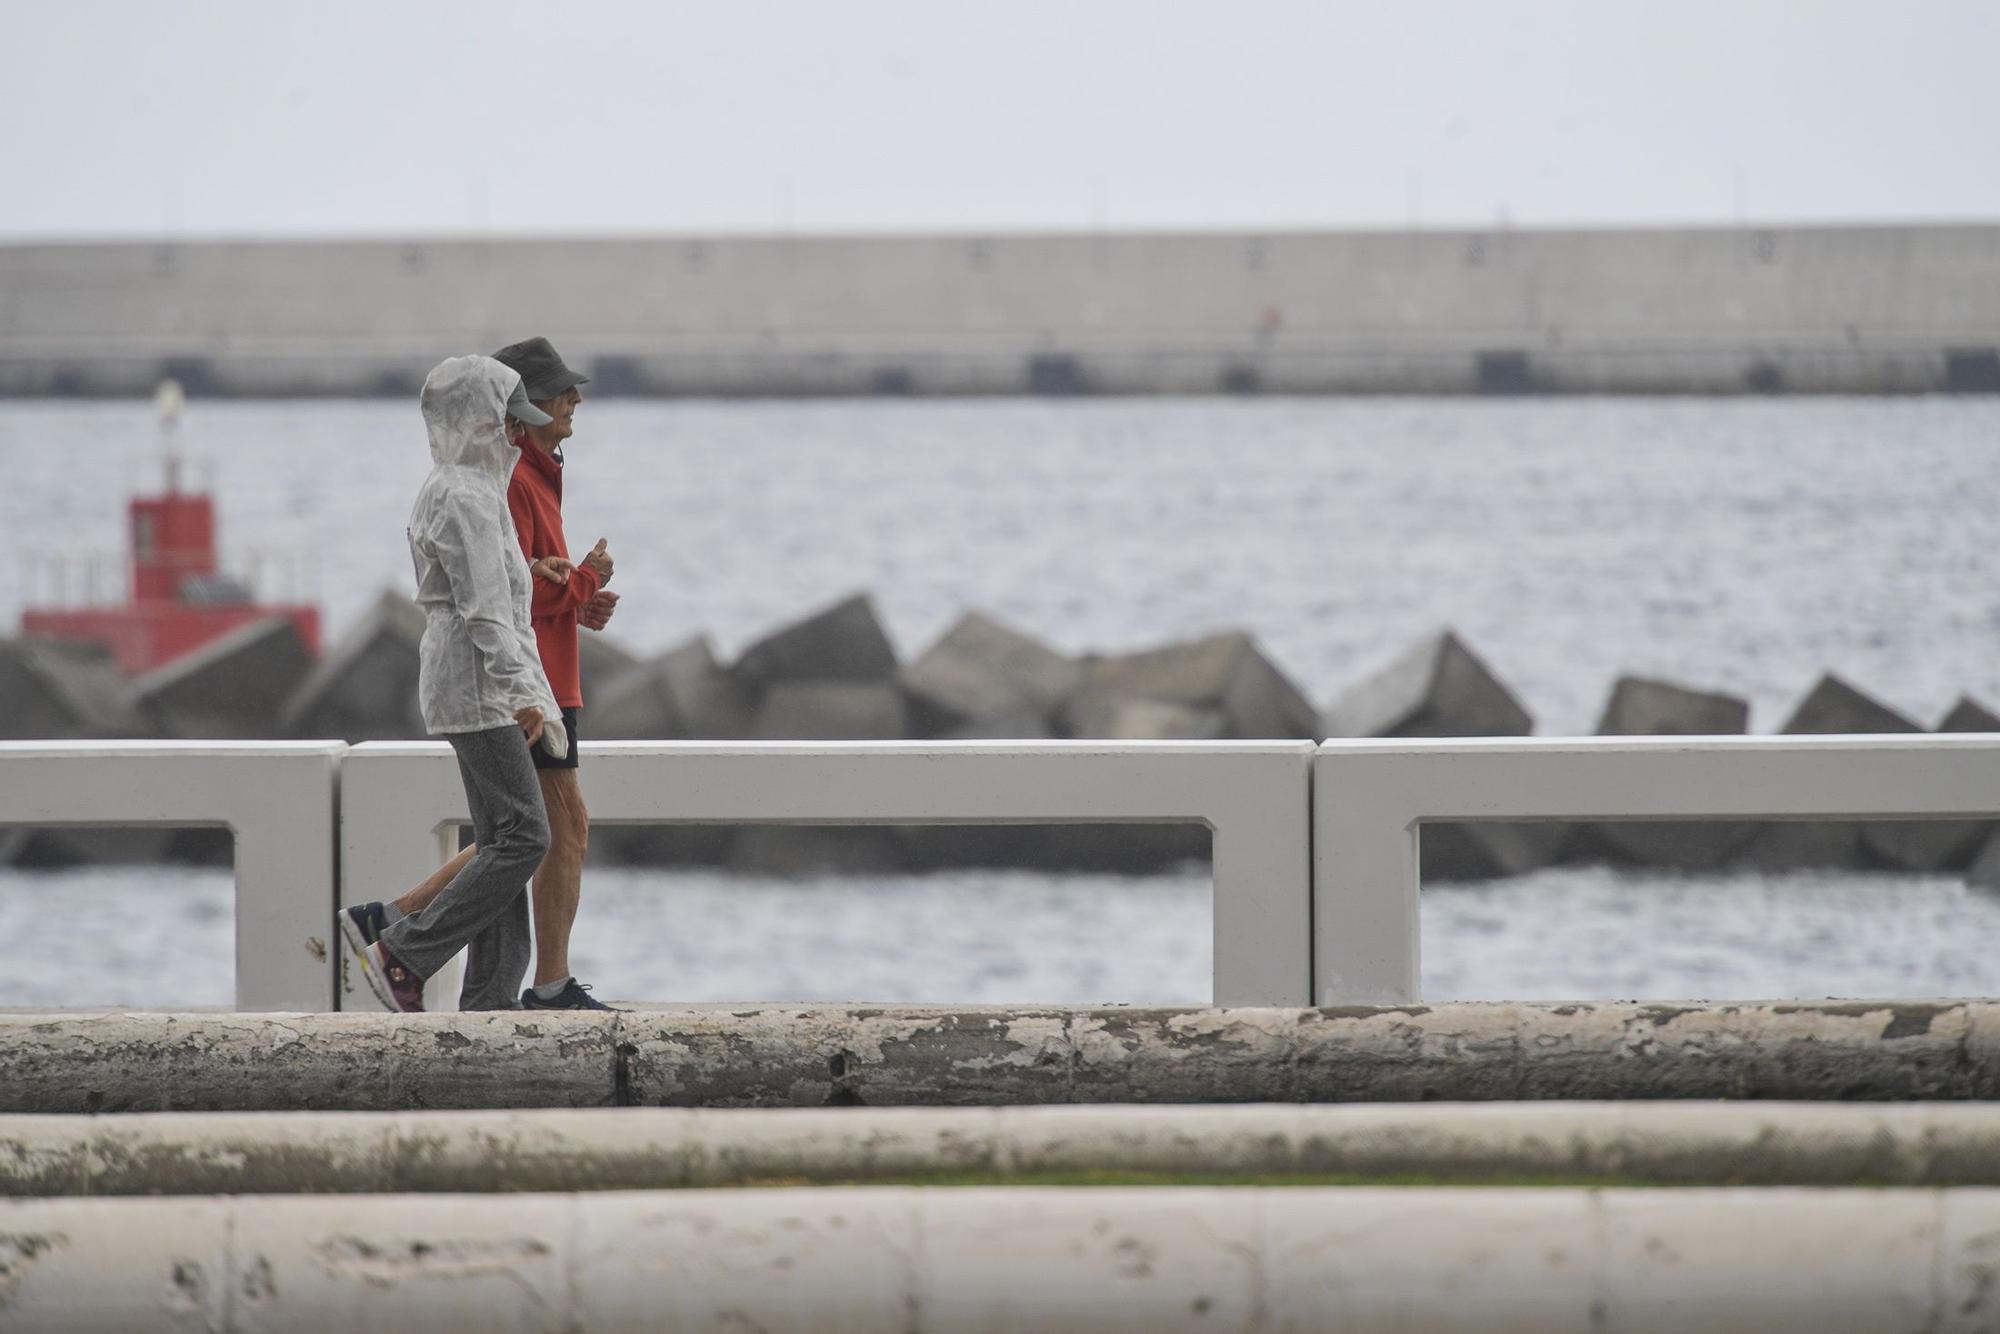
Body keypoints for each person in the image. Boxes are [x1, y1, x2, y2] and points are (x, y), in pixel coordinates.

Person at [342, 337, 620, 1011]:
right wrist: (531, 693)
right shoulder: (468, 496)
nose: (516, 427)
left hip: (488, 683)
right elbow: (485, 612)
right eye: (510, 413)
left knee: (505, 840)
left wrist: (548, 581)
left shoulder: (471, 488)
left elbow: (495, 590)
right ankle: (402, 951)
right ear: (482, 419)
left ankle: (489, 1001)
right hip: (486, 688)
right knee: (528, 837)